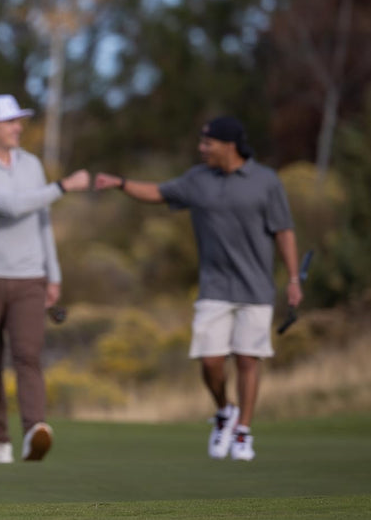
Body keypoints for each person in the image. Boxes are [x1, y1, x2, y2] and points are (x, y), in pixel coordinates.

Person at [93, 116, 301, 462]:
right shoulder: (198, 179)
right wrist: (120, 183)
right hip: (214, 287)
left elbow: (284, 231)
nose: (202, 149)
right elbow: (157, 192)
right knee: (210, 361)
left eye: (208, 143)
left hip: (255, 287)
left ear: (229, 145)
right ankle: (224, 411)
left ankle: (243, 433)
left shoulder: (266, 182)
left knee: (249, 360)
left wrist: (293, 279)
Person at [0, 94, 90, 464]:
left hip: (30, 275)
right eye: (10, 122)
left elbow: (41, 218)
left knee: (28, 355)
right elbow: (11, 207)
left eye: (18, 121)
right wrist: (63, 186)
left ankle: (34, 431)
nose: (18, 127)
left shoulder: (31, 164)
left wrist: (54, 273)